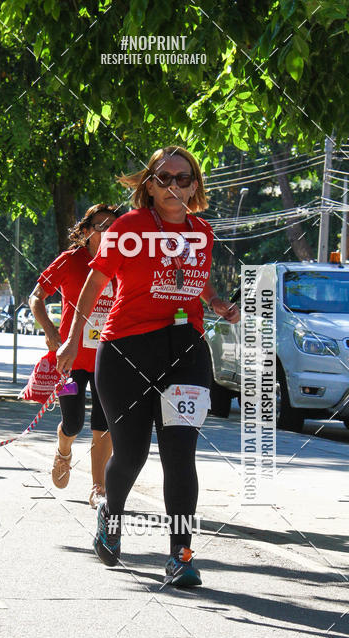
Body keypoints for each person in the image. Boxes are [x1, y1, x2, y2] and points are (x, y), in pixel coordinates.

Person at [56, 146, 240, 587]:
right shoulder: (128, 227)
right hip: (125, 352)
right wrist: (69, 338)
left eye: (182, 177)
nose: (173, 185)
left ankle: (181, 555)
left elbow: (196, 283)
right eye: (164, 178)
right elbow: (97, 281)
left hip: (186, 353)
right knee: (133, 453)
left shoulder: (202, 232)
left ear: (195, 184)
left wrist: (215, 302)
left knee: (180, 454)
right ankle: (110, 515)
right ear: (150, 185)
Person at [30, 204, 119, 508]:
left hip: (108, 357)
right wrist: (52, 333)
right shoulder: (71, 261)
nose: (106, 231)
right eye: (99, 225)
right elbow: (36, 298)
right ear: (85, 231)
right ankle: (63, 450)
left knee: (103, 423)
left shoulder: (123, 263)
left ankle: (99, 488)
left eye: (112, 226)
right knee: (73, 421)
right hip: (70, 359)